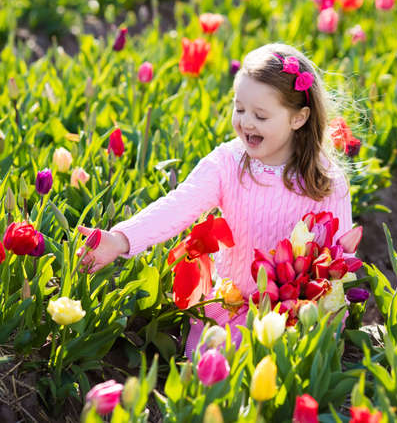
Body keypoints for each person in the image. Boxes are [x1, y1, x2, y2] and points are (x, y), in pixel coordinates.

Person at [77, 43, 353, 359]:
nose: (246, 123)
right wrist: (120, 239)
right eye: (239, 109)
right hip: (231, 307)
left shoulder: (326, 182)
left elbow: (339, 257)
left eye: (260, 115)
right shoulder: (227, 163)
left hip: (297, 310)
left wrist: (311, 311)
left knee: (285, 367)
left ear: (298, 118)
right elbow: (178, 206)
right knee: (217, 365)